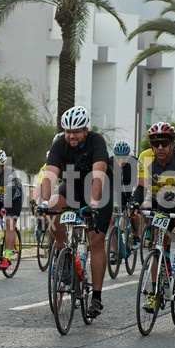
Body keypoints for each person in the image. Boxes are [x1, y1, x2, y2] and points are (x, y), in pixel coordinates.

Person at [38, 105, 112, 318]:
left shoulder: (96, 141)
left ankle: (96, 297)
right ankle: (66, 256)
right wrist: (44, 201)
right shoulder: (60, 144)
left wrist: (94, 204)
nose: (71, 136)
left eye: (76, 131)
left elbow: (98, 174)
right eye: (68, 131)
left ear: (85, 130)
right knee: (52, 205)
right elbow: (50, 174)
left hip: (98, 190)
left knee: (96, 241)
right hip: (72, 188)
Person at [131, 122, 175, 311]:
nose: (160, 148)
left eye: (164, 143)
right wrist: (134, 203)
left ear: (172, 144)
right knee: (158, 241)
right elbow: (141, 187)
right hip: (164, 200)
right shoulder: (145, 158)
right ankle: (156, 292)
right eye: (155, 144)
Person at [0, 149, 23, 270]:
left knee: (9, 223)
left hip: (13, 200)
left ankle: (7, 257)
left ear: (2, 165)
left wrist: (3, 209)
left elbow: (11, 193)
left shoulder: (10, 174)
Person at [108, 140, 140, 264]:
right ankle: (114, 249)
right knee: (112, 219)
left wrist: (133, 202)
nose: (121, 160)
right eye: (119, 158)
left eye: (124, 158)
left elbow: (138, 183)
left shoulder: (134, 163)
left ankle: (136, 236)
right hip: (117, 194)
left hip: (131, 192)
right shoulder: (109, 162)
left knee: (133, 213)